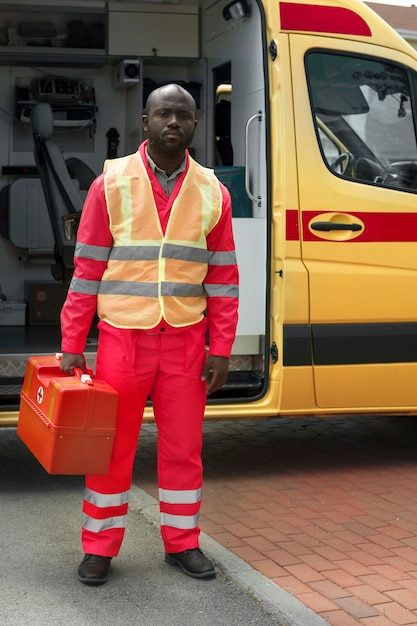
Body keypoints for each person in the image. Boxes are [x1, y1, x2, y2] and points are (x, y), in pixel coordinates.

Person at [59, 83, 239, 585]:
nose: (173, 122)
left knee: (183, 449)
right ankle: (99, 548)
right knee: (111, 449)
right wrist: (73, 344)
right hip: (123, 340)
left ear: (196, 124)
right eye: (164, 113)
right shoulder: (110, 183)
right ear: (145, 121)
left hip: (186, 342)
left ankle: (182, 543)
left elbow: (224, 277)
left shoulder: (213, 191)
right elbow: (87, 271)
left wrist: (220, 349)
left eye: (183, 114)